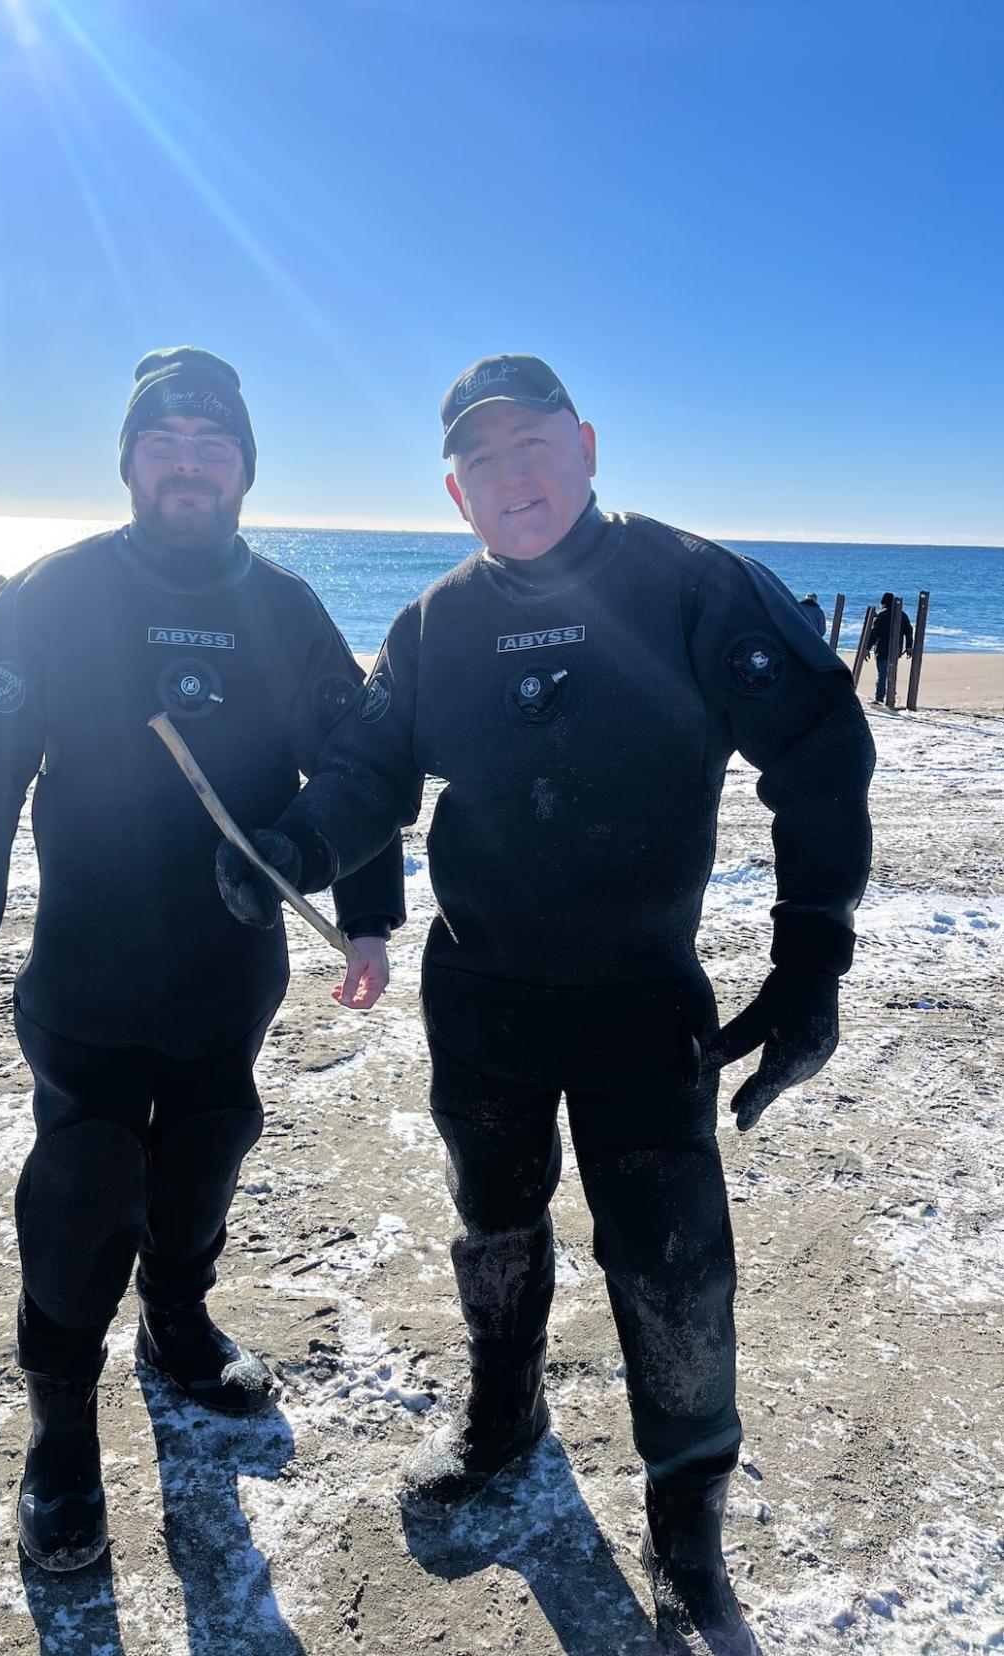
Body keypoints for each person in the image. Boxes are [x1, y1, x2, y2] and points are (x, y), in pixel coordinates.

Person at [217, 354, 875, 1654]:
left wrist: (810, 960)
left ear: (585, 444)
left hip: (640, 992)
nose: (513, 474)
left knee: (671, 1264)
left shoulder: (687, 581)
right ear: (452, 491)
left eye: (533, 444)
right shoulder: (432, 626)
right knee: (494, 1226)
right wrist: (292, 849)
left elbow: (818, 747)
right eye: (484, 460)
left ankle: (685, 1524)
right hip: (484, 996)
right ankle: (501, 1418)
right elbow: (367, 773)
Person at [0, 347, 402, 1573]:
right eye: (166, 444)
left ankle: (177, 1327)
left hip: (228, 970)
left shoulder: (284, 608)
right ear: (131, 462)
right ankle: (60, 1430)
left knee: (201, 1153)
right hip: (86, 965)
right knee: (86, 1183)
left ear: (244, 469)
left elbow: (356, 771)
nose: (190, 465)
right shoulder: (59, 594)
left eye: (214, 447)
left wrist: (366, 915)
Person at [867, 591, 914, 703]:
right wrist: (909, 646)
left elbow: (874, 634)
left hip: (882, 650)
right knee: (890, 673)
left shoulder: (881, 615)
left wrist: (867, 648)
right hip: (895, 650)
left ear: (883, 603)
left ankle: (879, 698)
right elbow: (909, 631)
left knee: (882, 674)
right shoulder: (902, 615)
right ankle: (891, 695)